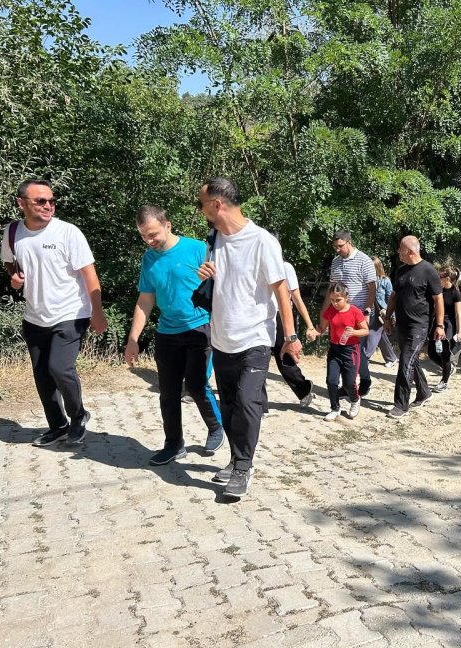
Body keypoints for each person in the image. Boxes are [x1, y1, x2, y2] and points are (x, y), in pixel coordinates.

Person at [195, 177, 301, 499]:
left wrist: (290, 335)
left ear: (217, 204)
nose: (200, 211)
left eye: (201, 205)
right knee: (228, 404)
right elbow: (222, 283)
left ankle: (244, 466)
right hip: (221, 336)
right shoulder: (214, 239)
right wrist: (205, 274)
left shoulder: (262, 241)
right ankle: (234, 458)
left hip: (255, 336)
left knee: (246, 401)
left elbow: (281, 291)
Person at [1, 179, 107, 446]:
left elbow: (89, 274)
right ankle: (58, 425)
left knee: (59, 368)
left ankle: (78, 415)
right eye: (40, 201)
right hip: (34, 315)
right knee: (42, 375)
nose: (48, 206)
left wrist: (97, 312)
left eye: (51, 201)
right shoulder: (13, 232)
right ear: (21, 203)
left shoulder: (68, 232)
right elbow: (8, 261)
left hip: (70, 312)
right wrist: (14, 277)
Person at [124, 205, 224, 465]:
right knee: (168, 392)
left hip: (201, 327)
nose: (150, 241)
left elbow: (223, 284)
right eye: (144, 236)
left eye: (153, 234)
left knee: (196, 385)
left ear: (167, 225)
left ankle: (216, 427)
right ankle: (173, 444)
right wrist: (133, 339)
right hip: (167, 333)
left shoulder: (196, 249)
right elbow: (145, 299)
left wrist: (214, 275)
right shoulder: (149, 259)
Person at [383, 236, 444, 418]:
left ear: (410, 251)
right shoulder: (401, 270)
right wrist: (387, 317)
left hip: (420, 325)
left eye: (400, 249)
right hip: (402, 323)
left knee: (405, 361)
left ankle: (400, 405)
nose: (398, 252)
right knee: (411, 361)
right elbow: (393, 295)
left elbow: (438, 299)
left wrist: (439, 325)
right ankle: (424, 392)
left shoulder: (428, 271)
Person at [325, 231, 377, 396]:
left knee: (354, 350)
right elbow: (332, 288)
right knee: (346, 349)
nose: (337, 249)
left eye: (340, 246)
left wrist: (367, 310)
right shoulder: (336, 262)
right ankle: (356, 381)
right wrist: (326, 311)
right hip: (340, 314)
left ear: (348, 242)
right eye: (335, 247)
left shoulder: (364, 260)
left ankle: (357, 382)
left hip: (358, 313)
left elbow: (371, 288)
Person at [265, 256, 318, 411]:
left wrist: (309, 325)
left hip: (281, 316)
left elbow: (296, 298)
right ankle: (259, 404)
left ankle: (303, 390)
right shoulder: (254, 265)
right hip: (260, 318)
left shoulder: (285, 267)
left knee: (285, 359)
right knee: (257, 358)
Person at [317, 282, 368, 421]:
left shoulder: (355, 311)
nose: (334, 303)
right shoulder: (330, 311)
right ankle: (335, 408)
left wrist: (355, 332)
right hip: (334, 350)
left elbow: (365, 330)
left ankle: (355, 399)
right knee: (331, 381)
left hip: (350, 351)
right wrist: (314, 332)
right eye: (332, 300)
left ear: (346, 297)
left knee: (349, 383)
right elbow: (322, 329)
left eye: (338, 300)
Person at [427, 267, 461, 393]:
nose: (437, 279)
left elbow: (458, 315)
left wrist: (460, 331)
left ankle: (444, 381)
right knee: (431, 353)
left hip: (448, 326)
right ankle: (448, 368)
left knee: (445, 354)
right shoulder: (438, 290)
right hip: (436, 323)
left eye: (440, 277)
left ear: (447, 278)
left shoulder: (456, 294)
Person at [365, 256, 398, 367]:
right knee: (381, 336)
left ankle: (365, 357)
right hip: (370, 312)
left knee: (373, 334)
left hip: (382, 313)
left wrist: (390, 314)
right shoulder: (366, 281)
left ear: (377, 267)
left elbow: (390, 299)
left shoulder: (385, 281)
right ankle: (392, 358)